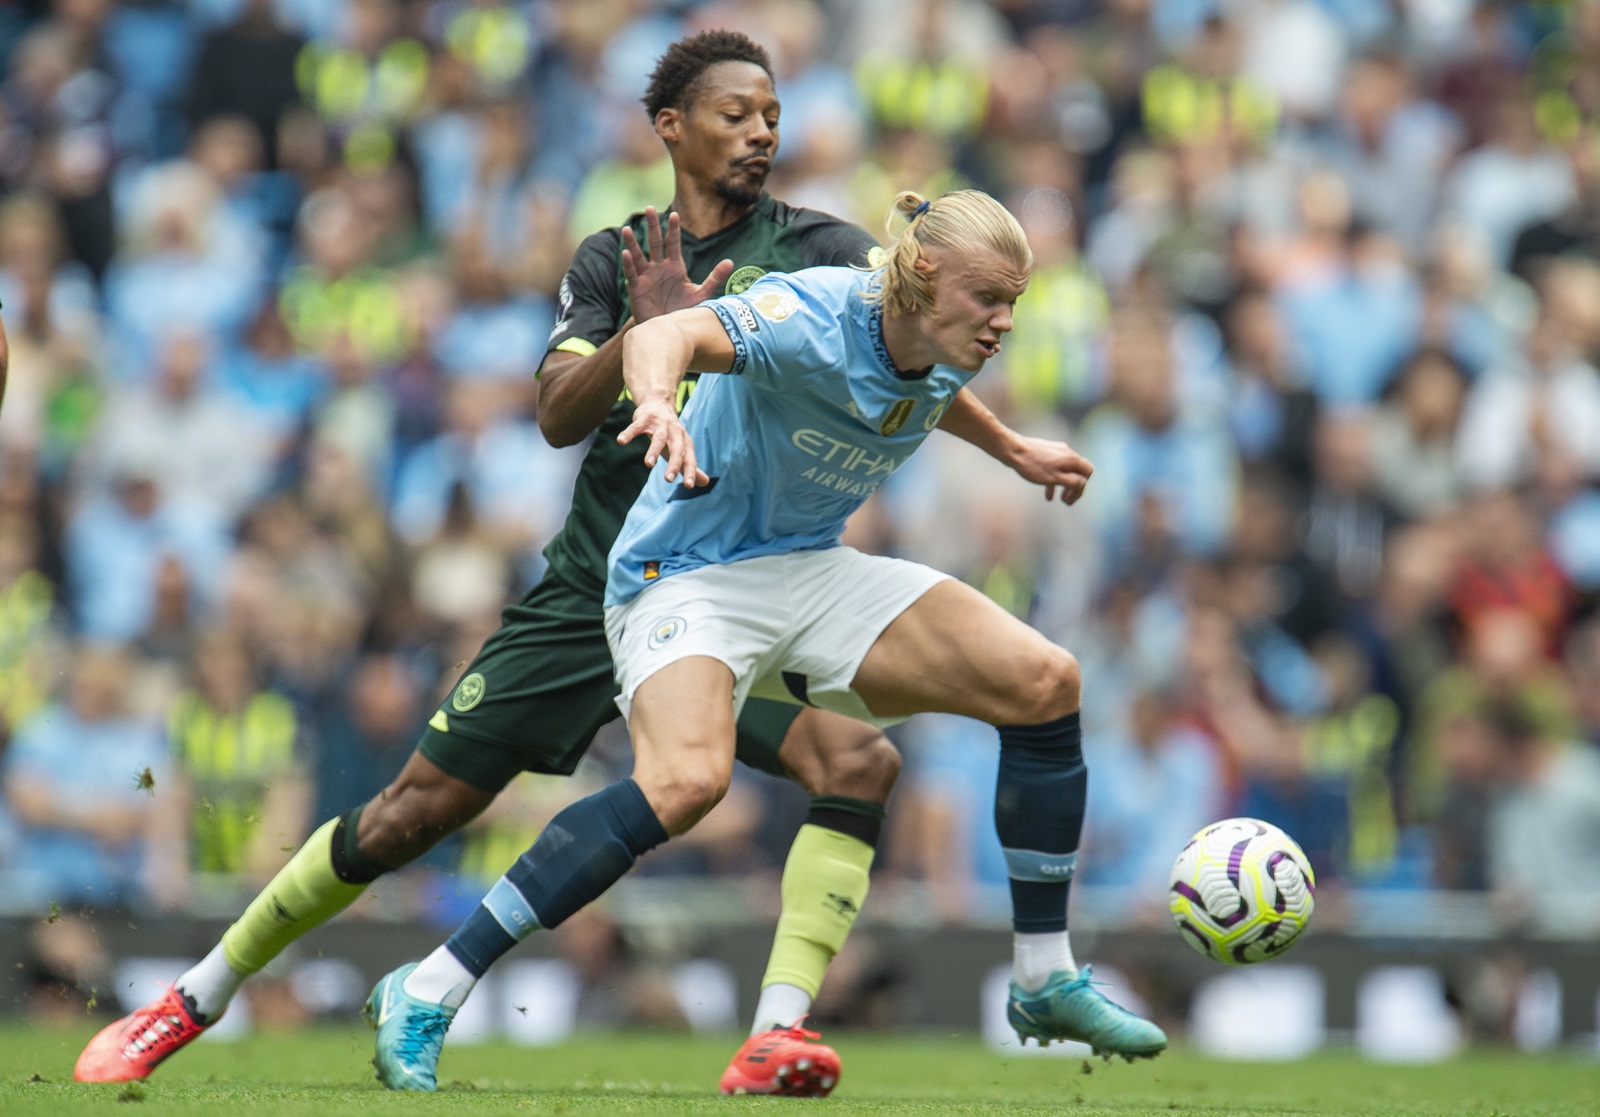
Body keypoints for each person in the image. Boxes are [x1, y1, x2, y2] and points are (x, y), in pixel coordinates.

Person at [74, 31, 1057, 1096]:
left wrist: (1007, 444)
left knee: (857, 763)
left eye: (771, 114)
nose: (760, 131)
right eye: (734, 113)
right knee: (411, 813)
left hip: (730, 589)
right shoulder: (612, 255)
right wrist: (650, 328)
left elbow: (904, 359)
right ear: (669, 127)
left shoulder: (824, 249)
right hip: (596, 583)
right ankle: (193, 997)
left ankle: (776, 1032)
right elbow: (552, 413)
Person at [366, 188, 1167, 1094]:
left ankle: (1040, 975)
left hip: (805, 566)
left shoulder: (941, 336)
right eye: (990, 298)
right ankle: (429, 983)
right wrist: (660, 401)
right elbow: (671, 334)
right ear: (927, 275)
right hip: (686, 571)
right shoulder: (811, 312)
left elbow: (925, 389)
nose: (1005, 322)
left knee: (1045, 680)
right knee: (687, 780)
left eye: (1015, 302)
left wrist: (1014, 448)